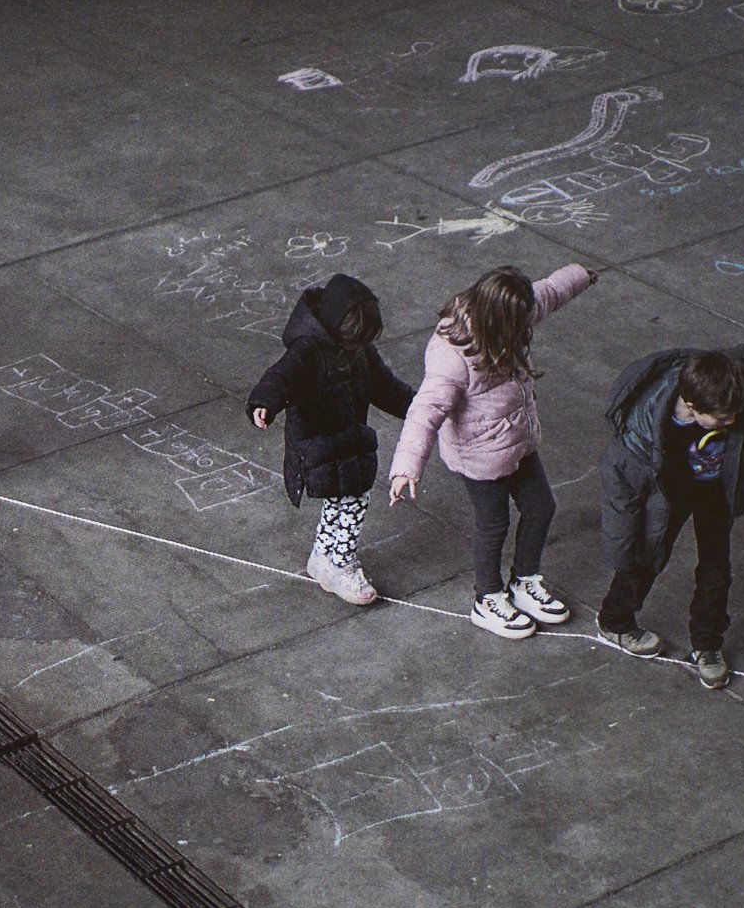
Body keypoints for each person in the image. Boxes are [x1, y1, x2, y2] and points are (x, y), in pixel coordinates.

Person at [593, 336, 744, 688]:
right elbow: (622, 495)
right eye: (723, 418)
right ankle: (614, 621)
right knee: (644, 557)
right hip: (669, 492)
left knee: (716, 567)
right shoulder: (642, 431)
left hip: (714, 490)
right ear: (692, 407)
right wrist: (622, 549)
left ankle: (707, 644)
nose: (733, 421)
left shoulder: (727, 376)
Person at [389, 263, 595, 639]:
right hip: (479, 455)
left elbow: (547, 293)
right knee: (493, 525)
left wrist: (580, 274)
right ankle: (486, 598)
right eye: (517, 324)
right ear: (496, 316)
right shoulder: (451, 356)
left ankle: (524, 579)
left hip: (516, 439)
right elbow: (425, 410)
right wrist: (406, 467)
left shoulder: (510, 312)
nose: (524, 329)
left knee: (540, 507)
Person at [248, 273, 414, 605]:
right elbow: (279, 377)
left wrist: (420, 410)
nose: (359, 348)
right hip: (318, 443)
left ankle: (325, 556)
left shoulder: (360, 352)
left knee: (342, 501)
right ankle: (340, 562)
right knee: (352, 501)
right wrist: (264, 403)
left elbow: (386, 387)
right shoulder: (308, 349)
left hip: (349, 439)